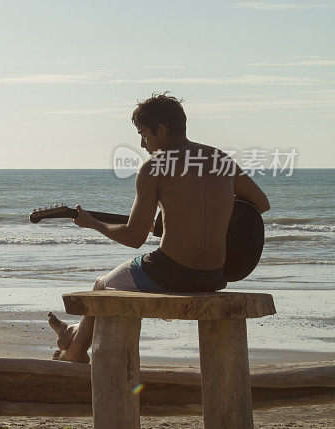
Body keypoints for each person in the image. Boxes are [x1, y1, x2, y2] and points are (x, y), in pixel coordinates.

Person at [49, 92, 270, 363]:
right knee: (116, 283)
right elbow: (261, 203)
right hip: (214, 276)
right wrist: (211, 216)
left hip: (170, 273)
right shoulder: (220, 159)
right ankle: (72, 334)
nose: (142, 144)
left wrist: (93, 224)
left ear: (162, 130)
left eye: (144, 134)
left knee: (101, 285)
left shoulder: (153, 168)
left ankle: (74, 352)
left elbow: (134, 237)